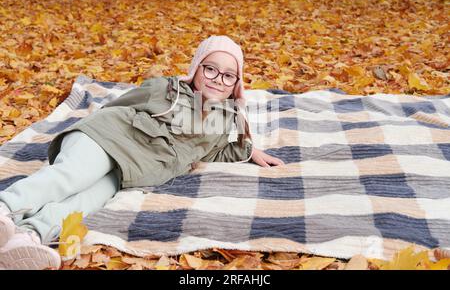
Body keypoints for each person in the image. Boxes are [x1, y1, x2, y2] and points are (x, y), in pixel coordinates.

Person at [0, 35, 284, 270]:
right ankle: (6, 207)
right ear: (196, 68)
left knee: (90, 199)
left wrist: (250, 150)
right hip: (106, 137)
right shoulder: (166, 89)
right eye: (210, 69)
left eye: (228, 76)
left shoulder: (223, 122)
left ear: (237, 83)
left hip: (130, 172)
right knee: (74, 176)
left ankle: (29, 236)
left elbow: (219, 150)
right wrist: (87, 135)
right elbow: (117, 106)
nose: (218, 79)